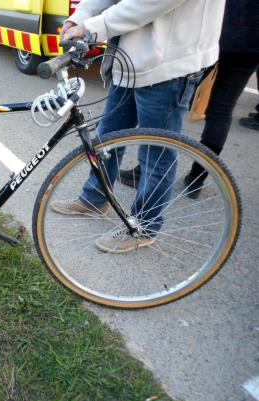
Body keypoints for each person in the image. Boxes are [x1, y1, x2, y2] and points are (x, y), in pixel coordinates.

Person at [51, 0, 225, 253]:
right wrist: (79, 17)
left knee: (157, 154)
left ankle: (144, 226)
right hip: (130, 59)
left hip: (169, 64)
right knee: (106, 138)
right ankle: (95, 198)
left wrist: (94, 26)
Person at [120, 0, 259, 198]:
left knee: (175, 98)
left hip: (218, 31)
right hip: (252, 41)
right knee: (221, 110)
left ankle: (147, 171)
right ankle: (196, 178)